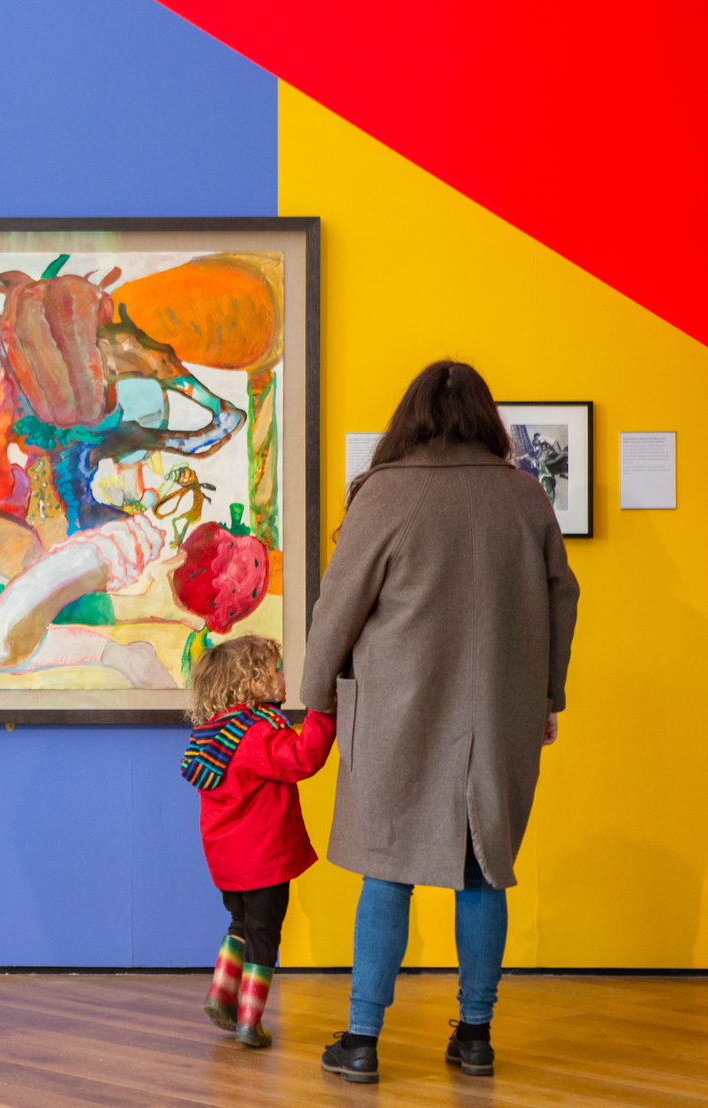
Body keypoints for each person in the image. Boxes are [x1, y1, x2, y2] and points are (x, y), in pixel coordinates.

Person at [305, 360, 579, 1084]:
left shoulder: (383, 494)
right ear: (483, 416)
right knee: (484, 873)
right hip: (500, 713)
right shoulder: (525, 496)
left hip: (398, 710)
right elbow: (562, 599)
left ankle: (361, 1042)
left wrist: (314, 698)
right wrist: (548, 698)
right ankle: (477, 1037)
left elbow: (339, 604)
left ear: (412, 414)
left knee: (386, 873)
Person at [181, 635, 336, 1048]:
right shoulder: (258, 734)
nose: (284, 676)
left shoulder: (213, 733)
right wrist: (325, 712)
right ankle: (250, 1021)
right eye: (276, 669)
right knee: (265, 935)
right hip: (264, 861)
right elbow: (304, 757)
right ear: (253, 684)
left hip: (228, 865)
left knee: (241, 924)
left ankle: (221, 993)